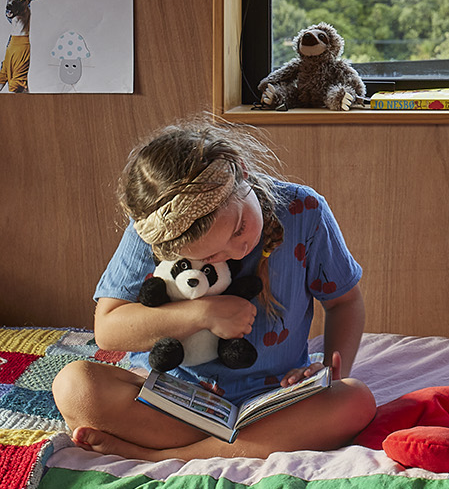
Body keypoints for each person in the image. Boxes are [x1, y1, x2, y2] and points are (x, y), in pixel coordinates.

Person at [52, 119, 375, 460]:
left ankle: (167, 455)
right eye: (208, 256)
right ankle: (235, 446)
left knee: (356, 399)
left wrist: (330, 371)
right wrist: (202, 314)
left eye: (239, 228)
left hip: (276, 398)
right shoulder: (155, 226)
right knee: (74, 386)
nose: (238, 250)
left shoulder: (303, 211)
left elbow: (344, 303)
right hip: (175, 401)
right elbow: (108, 329)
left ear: (243, 170)